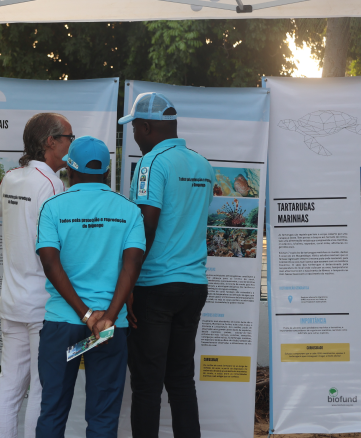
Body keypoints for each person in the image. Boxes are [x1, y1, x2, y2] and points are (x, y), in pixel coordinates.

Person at [35, 136, 145, 438]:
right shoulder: (129, 210)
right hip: (109, 329)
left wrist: (86, 315)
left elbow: (50, 263)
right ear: (107, 173)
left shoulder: (53, 208)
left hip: (63, 325)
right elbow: (132, 265)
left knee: (53, 410)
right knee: (103, 416)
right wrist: (106, 317)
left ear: (70, 170)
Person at [119, 92, 214, 438]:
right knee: (180, 381)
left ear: (146, 127)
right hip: (193, 286)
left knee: (147, 384)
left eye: (134, 128)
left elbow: (146, 224)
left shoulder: (151, 164)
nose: (133, 135)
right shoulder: (201, 163)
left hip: (155, 287)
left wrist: (126, 285)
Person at [0, 112, 74, 438]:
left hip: (11, 301)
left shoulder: (12, 178)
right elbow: (62, 244)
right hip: (43, 303)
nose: (71, 144)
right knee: (41, 387)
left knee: (9, 385)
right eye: (68, 138)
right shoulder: (52, 184)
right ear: (50, 142)